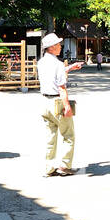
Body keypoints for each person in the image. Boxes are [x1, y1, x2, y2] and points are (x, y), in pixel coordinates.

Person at [37, 32, 77, 176]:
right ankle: (65, 166)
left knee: (50, 137)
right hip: (57, 101)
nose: (60, 46)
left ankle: (49, 167)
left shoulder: (40, 62)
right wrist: (67, 107)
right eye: (58, 44)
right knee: (68, 135)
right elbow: (61, 87)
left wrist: (70, 68)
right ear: (52, 47)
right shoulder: (58, 64)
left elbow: (51, 76)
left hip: (44, 101)